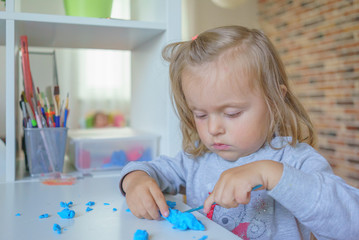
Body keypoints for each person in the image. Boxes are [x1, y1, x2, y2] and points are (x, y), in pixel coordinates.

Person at [119, 26, 359, 239]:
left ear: (275, 101)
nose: (213, 129)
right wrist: (135, 181)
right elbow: (148, 169)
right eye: (201, 115)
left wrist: (270, 174)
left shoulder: (295, 160)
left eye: (232, 113)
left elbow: (352, 224)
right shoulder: (196, 161)